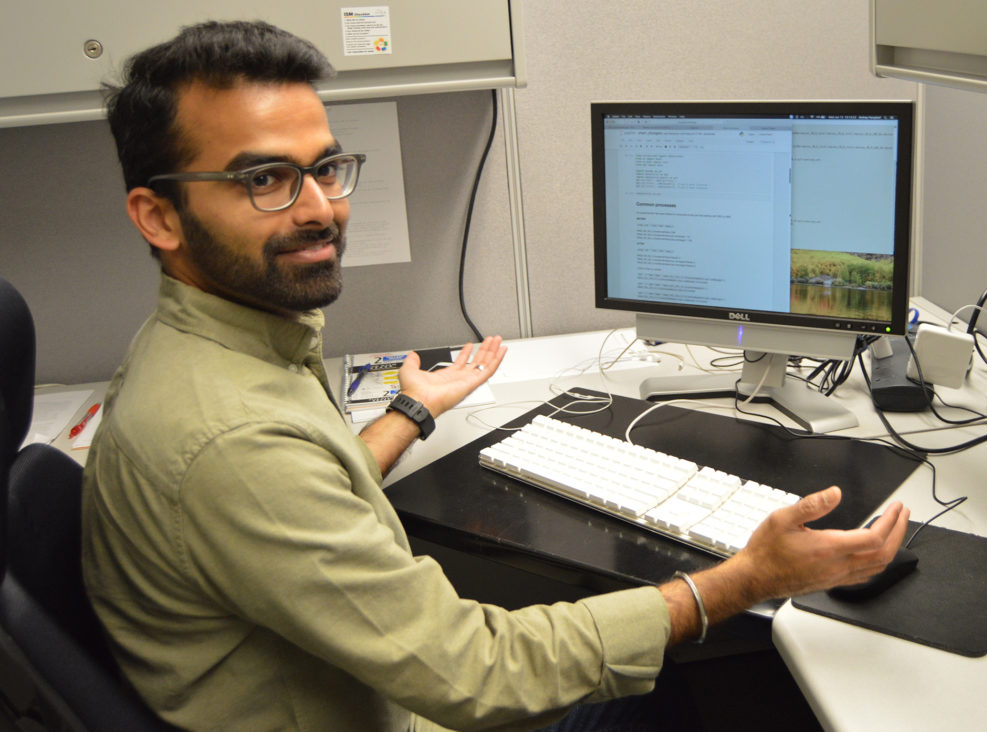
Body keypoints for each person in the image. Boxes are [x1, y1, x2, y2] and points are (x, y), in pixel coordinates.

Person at [82, 20, 910, 732]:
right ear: (157, 214)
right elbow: (476, 674)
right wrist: (741, 580)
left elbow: (299, 497)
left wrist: (409, 410)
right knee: (686, 690)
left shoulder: (205, 351)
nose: (319, 208)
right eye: (263, 179)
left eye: (325, 167)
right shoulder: (228, 440)